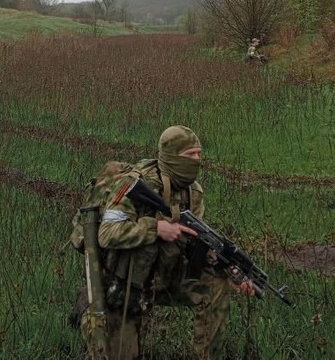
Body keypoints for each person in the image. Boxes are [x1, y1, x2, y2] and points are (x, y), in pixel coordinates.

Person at [79, 126, 256, 359]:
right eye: (190, 155)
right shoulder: (134, 185)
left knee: (215, 284)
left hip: (163, 275)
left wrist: (231, 272)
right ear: (171, 156)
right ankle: (90, 312)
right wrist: (156, 228)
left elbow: (194, 245)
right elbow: (108, 232)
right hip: (125, 283)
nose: (196, 161)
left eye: (199, 155)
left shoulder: (193, 192)